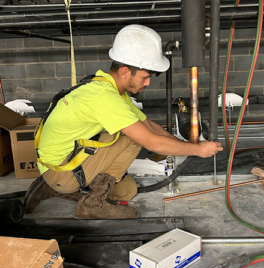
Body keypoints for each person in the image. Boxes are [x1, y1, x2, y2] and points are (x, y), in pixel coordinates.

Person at [25, 24, 223, 219]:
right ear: (126, 72)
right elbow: (150, 140)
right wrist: (197, 150)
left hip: (62, 161)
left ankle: (70, 188)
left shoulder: (107, 87)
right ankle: (91, 204)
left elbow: (149, 126)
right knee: (132, 137)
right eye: (145, 77)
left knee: (126, 190)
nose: (148, 83)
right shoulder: (105, 97)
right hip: (62, 168)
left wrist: (186, 145)